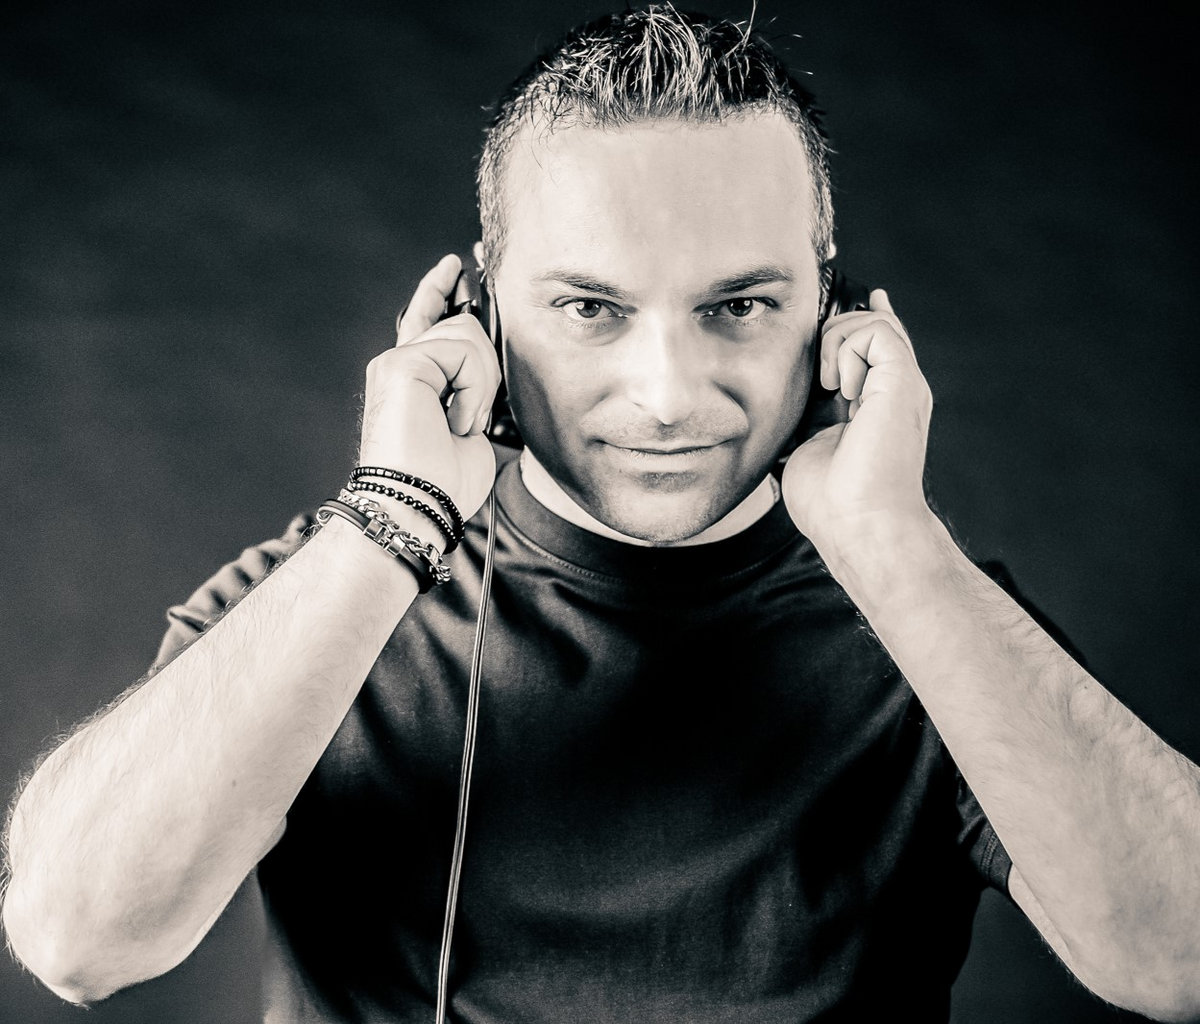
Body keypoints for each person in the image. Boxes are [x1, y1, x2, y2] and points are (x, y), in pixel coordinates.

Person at [3, 6, 1199, 1022]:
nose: (667, 395)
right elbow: (75, 937)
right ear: (480, 310)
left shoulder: (938, 619)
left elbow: (1183, 965)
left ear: (830, 303)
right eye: (590, 308)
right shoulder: (325, 593)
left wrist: (893, 546)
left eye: (739, 304)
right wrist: (391, 521)